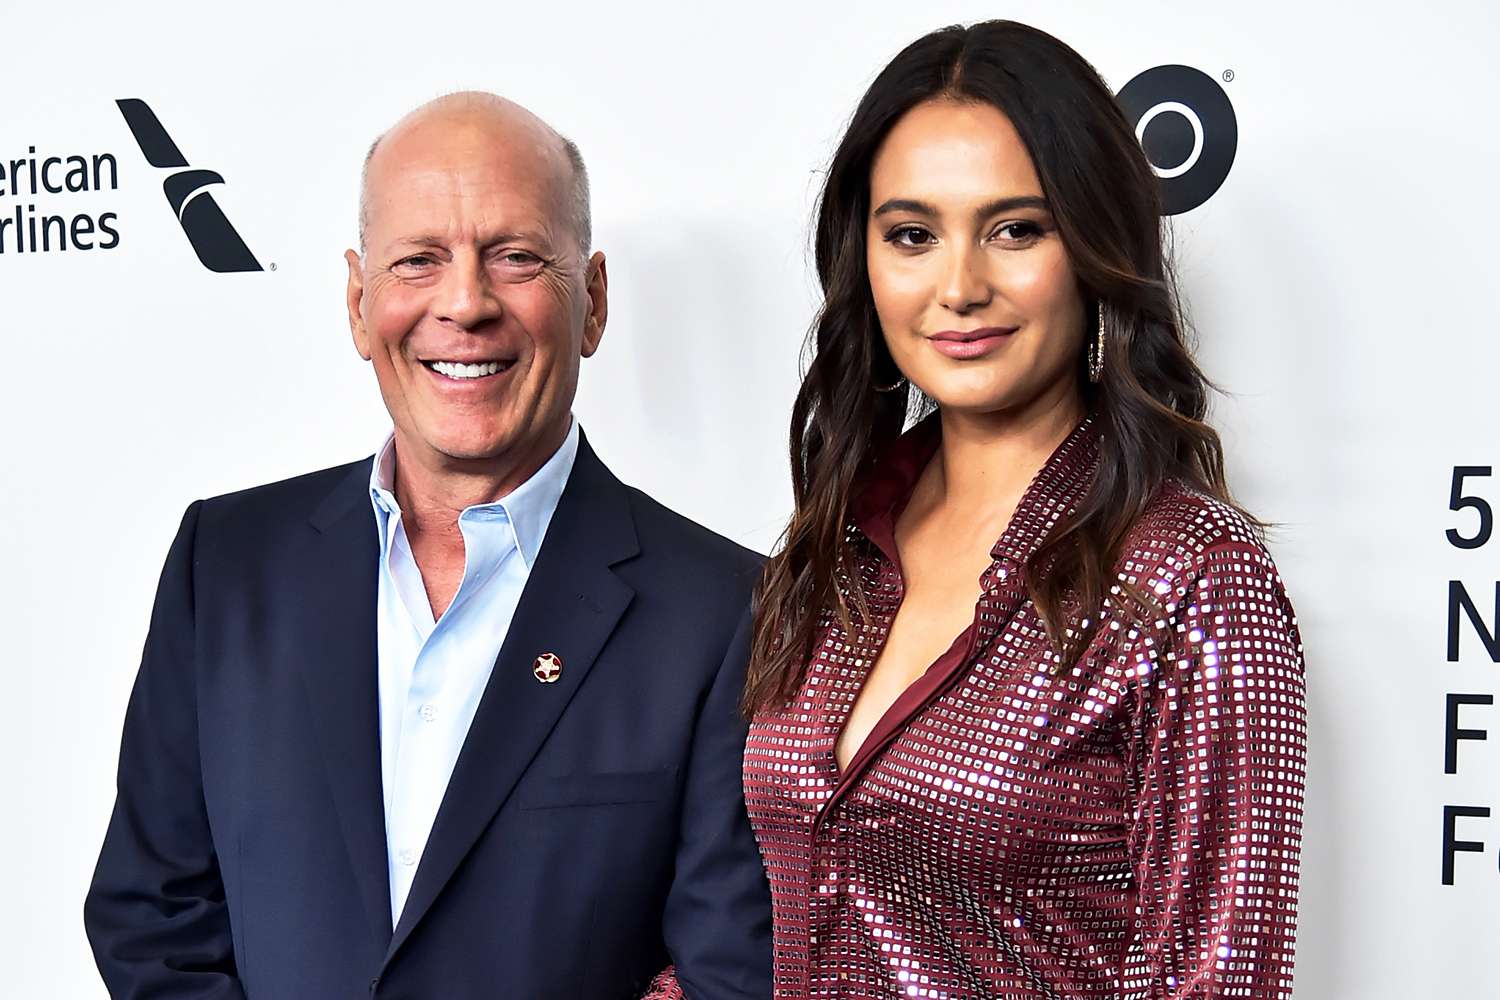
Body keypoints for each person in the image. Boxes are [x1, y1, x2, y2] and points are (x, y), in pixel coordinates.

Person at [84, 92, 771, 1000]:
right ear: (359, 304)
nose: (465, 304)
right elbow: (152, 918)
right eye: (418, 261)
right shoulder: (228, 565)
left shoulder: (728, 610)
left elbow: (733, 973)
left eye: (517, 257)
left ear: (593, 302)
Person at [743, 21, 1306, 999]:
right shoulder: (832, 549)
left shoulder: (1194, 578)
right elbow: (759, 918)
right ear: (865, 259)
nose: (959, 286)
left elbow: (1219, 982)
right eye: (912, 234)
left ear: (1094, 247)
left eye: (1016, 229)